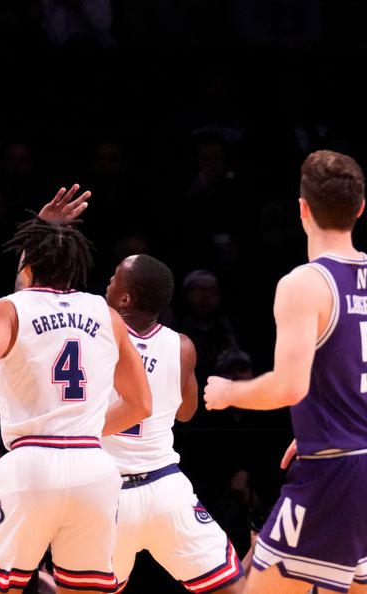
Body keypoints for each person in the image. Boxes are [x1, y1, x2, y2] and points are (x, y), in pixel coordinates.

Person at [0, 189, 153, 593]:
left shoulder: (5, 310)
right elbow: (140, 403)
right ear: (76, 266)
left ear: (27, 260)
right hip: (93, 468)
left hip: (30, 464)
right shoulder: (107, 316)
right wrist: (80, 430)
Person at [204, 149, 367, 594]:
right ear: (360, 208)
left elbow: (288, 387)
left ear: (302, 209)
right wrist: (330, 414)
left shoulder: (304, 282)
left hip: (335, 475)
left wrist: (226, 393)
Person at [102, 253, 244, 593]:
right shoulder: (182, 346)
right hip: (165, 489)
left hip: (106, 493)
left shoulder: (96, 334)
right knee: (232, 588)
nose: (107, 282)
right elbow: (186, 413)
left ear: (125, 298)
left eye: (113, 278)